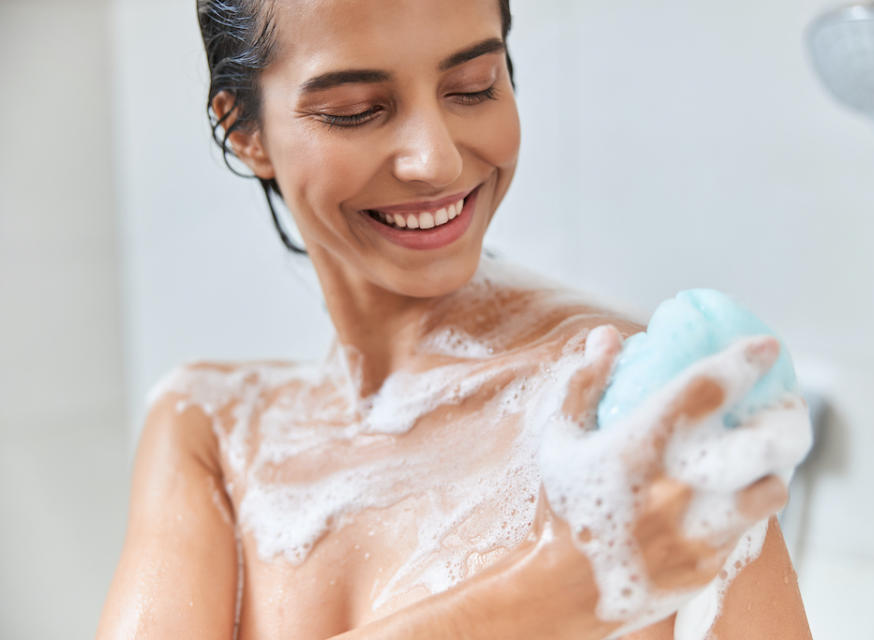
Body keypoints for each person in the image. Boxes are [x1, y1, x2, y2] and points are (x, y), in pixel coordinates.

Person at [97, 0, 813, 638]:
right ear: (244, 129)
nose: (435, 161)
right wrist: (562, 591)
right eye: (355, 109)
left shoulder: (631, 420)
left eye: (473, 88)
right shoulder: (215, 432)